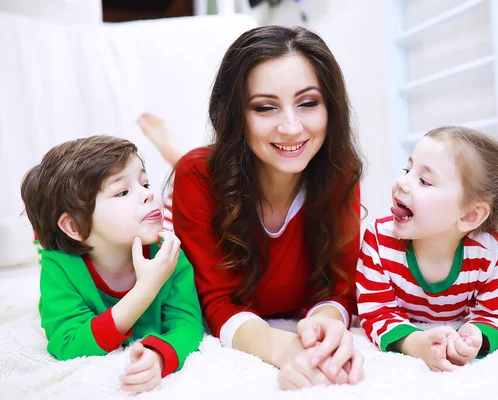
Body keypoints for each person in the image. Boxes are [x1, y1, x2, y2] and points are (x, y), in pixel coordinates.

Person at [166, 25, 365, 390]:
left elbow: (338, 288)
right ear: (235, 115)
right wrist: (283, 348)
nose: (291, 127)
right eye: (265, 107)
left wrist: (327, 333)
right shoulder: (196, 176)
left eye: (308, 103)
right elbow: (215, 301)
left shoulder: (342, 170)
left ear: (331, 107)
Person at [357, 126, 498, 372]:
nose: (402, 182)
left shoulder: (487, 251)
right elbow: (376, 312)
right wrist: (415, 343)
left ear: (470, 215)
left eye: (424, 181)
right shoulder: (379, 240)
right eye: (407, 169)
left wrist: (475, 335)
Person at [21, 135, 204, 393]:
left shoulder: (168, 254)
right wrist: (146, 289)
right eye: (122, 192)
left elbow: (187, 324)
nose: (148, 194)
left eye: (145, 183)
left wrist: (161, 355)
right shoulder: (60, 266)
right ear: (73, 226)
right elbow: (68, 343)